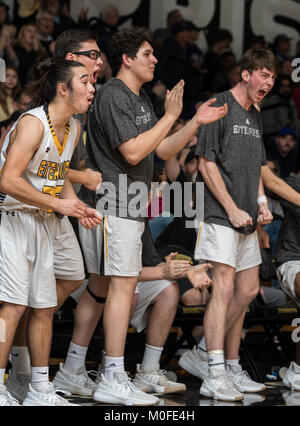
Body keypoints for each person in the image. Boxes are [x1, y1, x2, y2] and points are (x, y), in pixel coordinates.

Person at [79, 27, 227, 406]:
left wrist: (192, 121)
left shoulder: (140, 97)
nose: (155, 59)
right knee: (119, 289)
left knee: (115, 288)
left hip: (130, 208)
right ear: (127, 59)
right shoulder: (113, 94)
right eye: (147, 53)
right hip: (113, 204)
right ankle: (112, 375)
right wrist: (171, 114)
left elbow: (160, 149)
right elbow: (131, 152)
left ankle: (95, 371)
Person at [3, 28, 104, 404]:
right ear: (63, 88)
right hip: (11, 221)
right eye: (85, 81)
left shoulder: (73, 127)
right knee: (12, 307)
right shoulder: (32, 123)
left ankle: (40, 388)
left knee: (43, 307)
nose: (93, 87)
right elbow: (8, 180)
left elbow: (56, 173)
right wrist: (58, 204)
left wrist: (74, 205)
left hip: (42, 222)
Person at [179, 48, 277, 402]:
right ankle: (215, 372)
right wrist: (233, 208)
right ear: (245, 74)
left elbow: (256, 168)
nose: (268, 82)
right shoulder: (219, 104)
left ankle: (220, 358)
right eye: (262, 74)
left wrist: (262, 203)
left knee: (248, 289)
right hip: (220, 213)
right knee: (221, 288)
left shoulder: (255, 113)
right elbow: (205, 163)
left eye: (273, 77)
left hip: (247, 217)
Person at [52, 220, 213, 400]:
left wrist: (183, 270)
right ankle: (109, 371)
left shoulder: (137, 215)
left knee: (169, 289)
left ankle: (149, 371)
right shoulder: (111, 212)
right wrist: (162, 272)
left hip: (127, 280)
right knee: (129, 290)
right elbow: (117, 274)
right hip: (90, 282)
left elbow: (152, 263)